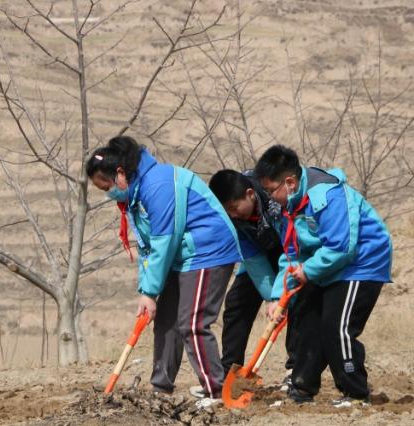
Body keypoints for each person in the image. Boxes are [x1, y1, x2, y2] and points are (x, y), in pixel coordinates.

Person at [86, 136, 241, 405]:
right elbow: (148, 249)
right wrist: (147, 293)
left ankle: (216, 390)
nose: (109, 192)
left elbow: (164, 240)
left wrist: (150, 290)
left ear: (120, 173)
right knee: (166, 319)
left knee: (192, 322)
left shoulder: (158, 184)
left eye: (108, 186)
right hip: (180, 255)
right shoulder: (135, 195)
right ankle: (161, 388)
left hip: (208, 250)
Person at [253, 145, 392, 407]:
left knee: (335, 326)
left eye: (272, 191)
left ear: (290, 182)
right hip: (326, 264)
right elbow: (292, 255)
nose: (271, 198)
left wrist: (308, 270)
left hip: (361, 262)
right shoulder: (288, 207)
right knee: (306, 318)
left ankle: (355, 393)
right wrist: (276, 297)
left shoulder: (327, 194)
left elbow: (342, 247)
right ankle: (302, 389)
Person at [208, 169, 296, 385]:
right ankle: (230, 374)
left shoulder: (275, 198)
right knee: (236, 303)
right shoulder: (233, 219)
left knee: (295, 304)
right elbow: (253, 259)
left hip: (291, 251)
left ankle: (296, 370)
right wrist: (271, 298)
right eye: (227, 212)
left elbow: (291, 248)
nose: (233, 215)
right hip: (258, 254)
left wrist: (280, 298)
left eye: (234, 208)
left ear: (250, 194)